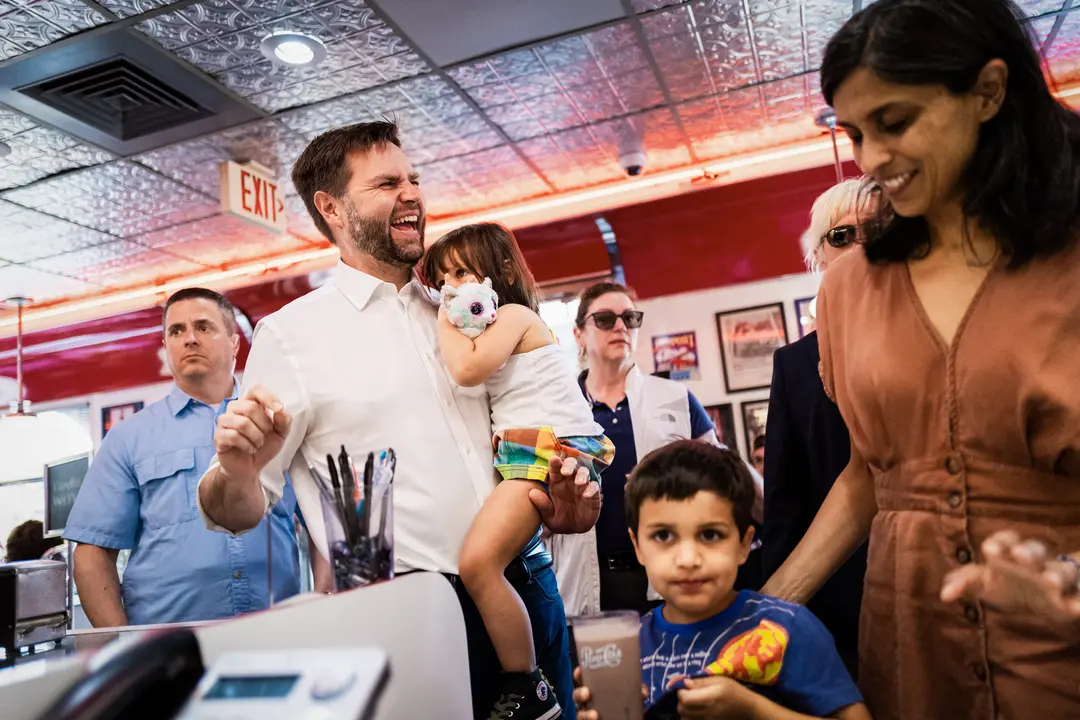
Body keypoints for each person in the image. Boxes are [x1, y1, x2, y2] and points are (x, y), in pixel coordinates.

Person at [196, 122, 600, 720]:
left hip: (527, 582)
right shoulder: (293, 335)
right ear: (331, 208)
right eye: (387, 182)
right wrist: (236, 469)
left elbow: (527, 437)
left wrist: (569, 506)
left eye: (414, 178)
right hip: (411, 611)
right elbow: (230, 510)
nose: (412, 193)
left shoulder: (466, 310)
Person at [760, 0, 1080, 716]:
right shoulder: (851, 286)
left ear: (990, 92)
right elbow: (871, 476)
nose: (871, 160)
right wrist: (767, 606)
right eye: (855, 133)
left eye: (895, 122)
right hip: (909, 647)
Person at [422, 222, 614, 720]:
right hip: (528, 450)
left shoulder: (514, 314)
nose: (452, 289)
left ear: (502, 270)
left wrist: (442, 316)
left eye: (462, 273)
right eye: (442, 280)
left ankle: (528, 683)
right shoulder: (495, 326)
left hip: (547, 448)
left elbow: (466, 370)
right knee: (483, 563)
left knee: (478, 565)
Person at [572, 441, 869, 720]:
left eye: (710, 535)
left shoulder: (785, 628)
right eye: (663, 536)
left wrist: (753, 709)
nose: (688, 559)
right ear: (638, 547)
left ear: (743, 544)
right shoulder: (628, 647)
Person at [63, 288, 307, 627]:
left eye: (204, 327)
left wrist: (326, 602)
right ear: (166, 347)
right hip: (170, 645)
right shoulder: (128, 438)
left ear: (235, 342)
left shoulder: (277, 424)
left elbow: (321, 527)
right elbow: (92, 554)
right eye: (176, 331)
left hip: (278, 629)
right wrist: (123, 646)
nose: (189, 339)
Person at [550, 282, 764, 617]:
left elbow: (724, 471)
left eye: (629, 318)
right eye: (605, 319)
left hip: (666, 576)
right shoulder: (558, 410)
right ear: (579, 335)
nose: (620, 326)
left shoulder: (674, 397)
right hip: (583, 580)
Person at [761, 178, 874, 676]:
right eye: (843, 235)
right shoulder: (796, 364)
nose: (862, 246)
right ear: (819, 256)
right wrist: (773, 614)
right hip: (833, 594)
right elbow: (786, 499)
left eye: (879, 230)